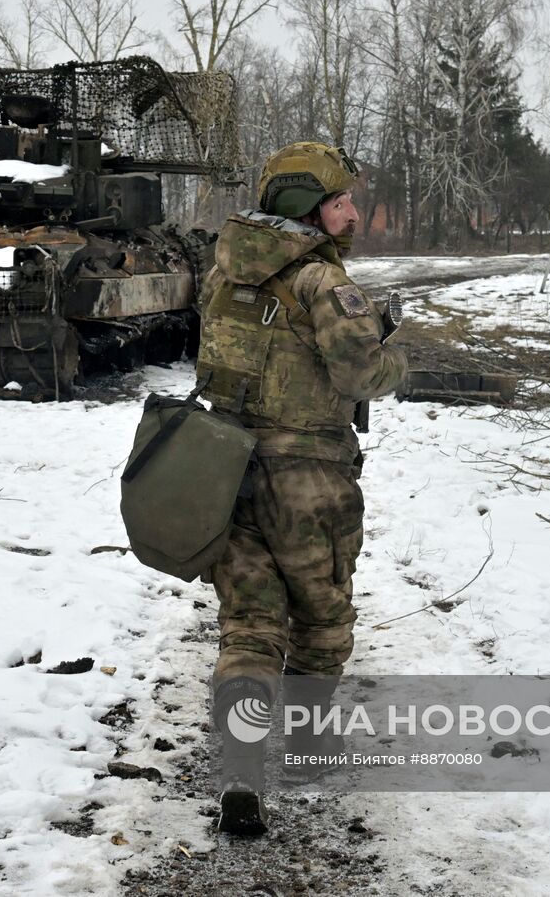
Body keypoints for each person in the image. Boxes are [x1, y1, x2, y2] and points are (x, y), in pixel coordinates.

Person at [195, 141, 407, 835]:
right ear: (305, 209)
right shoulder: (323, 283)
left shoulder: (222, 273)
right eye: (340, 201)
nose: (351, 212)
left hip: (227, 472)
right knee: (320, 623)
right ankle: (312, 749)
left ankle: (243, 771)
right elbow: (361, 376)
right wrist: (392, 351)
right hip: (311, 480)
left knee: (249, 628)